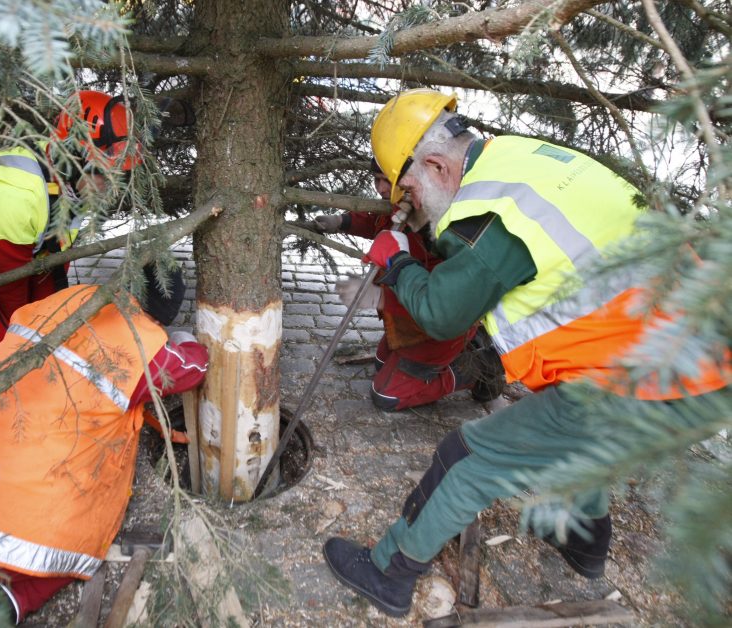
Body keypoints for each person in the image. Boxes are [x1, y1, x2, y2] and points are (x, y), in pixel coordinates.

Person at [321, 89, 731, 618]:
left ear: (436, 163)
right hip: (695, 348)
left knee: (467, 456)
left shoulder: (490, 210)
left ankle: (389, 573)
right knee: (573, 435)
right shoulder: (515, 161)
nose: (409, 202)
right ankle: (583, 544)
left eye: (408, 187)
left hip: (654, 370)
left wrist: (398, 263)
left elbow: (444, 313)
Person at [0, 282, 208, 623]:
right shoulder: (147, 348)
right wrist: (182, 341)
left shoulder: (75, 296)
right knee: (70, 549)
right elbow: (194, 369)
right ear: (164, 315)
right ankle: (8, 602)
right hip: (14, 510)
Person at [0, 90, 181, 364]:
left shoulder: (71, 185)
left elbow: (49, 261)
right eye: (104, 176)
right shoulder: (16, 193)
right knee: (14, 358)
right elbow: (12, 282)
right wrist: (27, 338)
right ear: (74, 158)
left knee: (49, 329)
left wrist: (53, 322)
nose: (110, 187)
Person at [310, 159, 503, 410]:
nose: (379, 188)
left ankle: (478, 369)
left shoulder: (439, 229)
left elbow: (437, 301)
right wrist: (342, 222)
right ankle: (461, 349)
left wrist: (379, 298)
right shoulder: (405, 202)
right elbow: (380, 223)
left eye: (386, 180)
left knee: (387, 395)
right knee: (381, 362)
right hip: (407, 323)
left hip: (438, 326)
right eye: (376, 179)